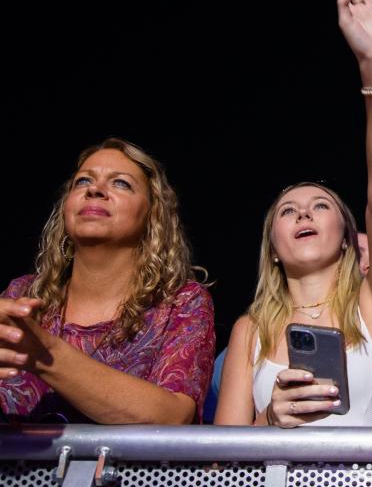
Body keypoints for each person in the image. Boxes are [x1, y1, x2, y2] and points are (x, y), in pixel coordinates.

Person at [215, 0, 372, 428]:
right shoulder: (250, 332)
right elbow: (216, 464)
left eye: (320, 205)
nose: (303, 212)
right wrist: (269, 421)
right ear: (273, 247)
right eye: (288, 211)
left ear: (346, 236)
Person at [0, 138, 214, 423]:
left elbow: (173, 416)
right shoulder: (21, 295)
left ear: (153, 216)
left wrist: (45, 354)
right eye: (83, 181)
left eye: (121, 183)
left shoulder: (180, 304)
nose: (95, 190)